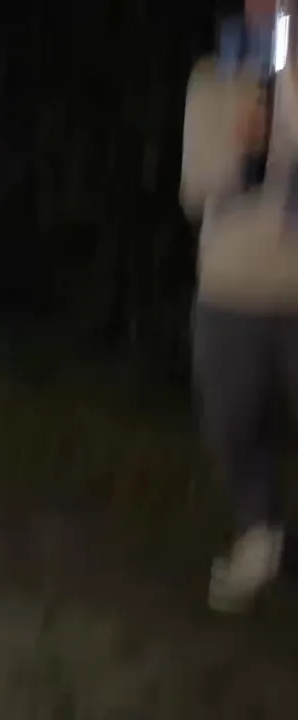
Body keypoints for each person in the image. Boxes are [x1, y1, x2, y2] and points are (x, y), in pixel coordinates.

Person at [181, 0, 298, 612]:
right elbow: (193, 188)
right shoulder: (212, 78)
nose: (271, 9)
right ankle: (259, 535)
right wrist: (240, 151)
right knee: (232, 427)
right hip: (228, 292)